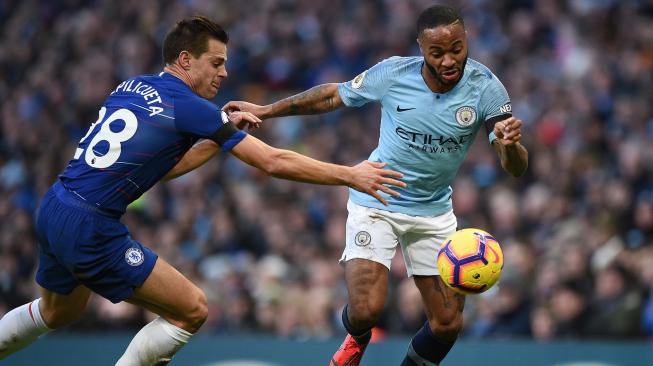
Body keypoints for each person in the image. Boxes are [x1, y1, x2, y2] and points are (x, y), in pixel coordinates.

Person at [0, 16, 406, 365]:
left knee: (58, 311)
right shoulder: (191, 107)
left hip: (54, 205)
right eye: (216, 62)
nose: (224, 73)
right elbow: (272, 162)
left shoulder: (130, 86)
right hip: (90, 224)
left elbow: (161, 169)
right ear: (185, 60)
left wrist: (217, 136)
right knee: (191, 309)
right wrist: (350, 174)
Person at [223, 5, 528, 366]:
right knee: (367, 310)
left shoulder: (486, 88)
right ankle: (357, 337)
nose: (449, 60)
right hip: (376, 196)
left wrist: (510, 147)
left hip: (433, 212)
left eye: (457, 49)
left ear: (467, 41)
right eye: (437, 52)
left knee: (447, 323)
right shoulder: (393, 73)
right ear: (421, 48)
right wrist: (268, 109)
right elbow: (332, 95)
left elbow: (516, 169)